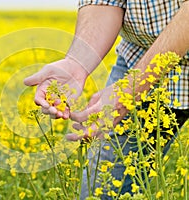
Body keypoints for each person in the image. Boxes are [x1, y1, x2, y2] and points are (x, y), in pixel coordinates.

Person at [24, 0, 189, 199]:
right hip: (139, 58)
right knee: (100, 191)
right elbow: (105, 2)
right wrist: (76, 63)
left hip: (141, 73)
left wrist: (130, 90)